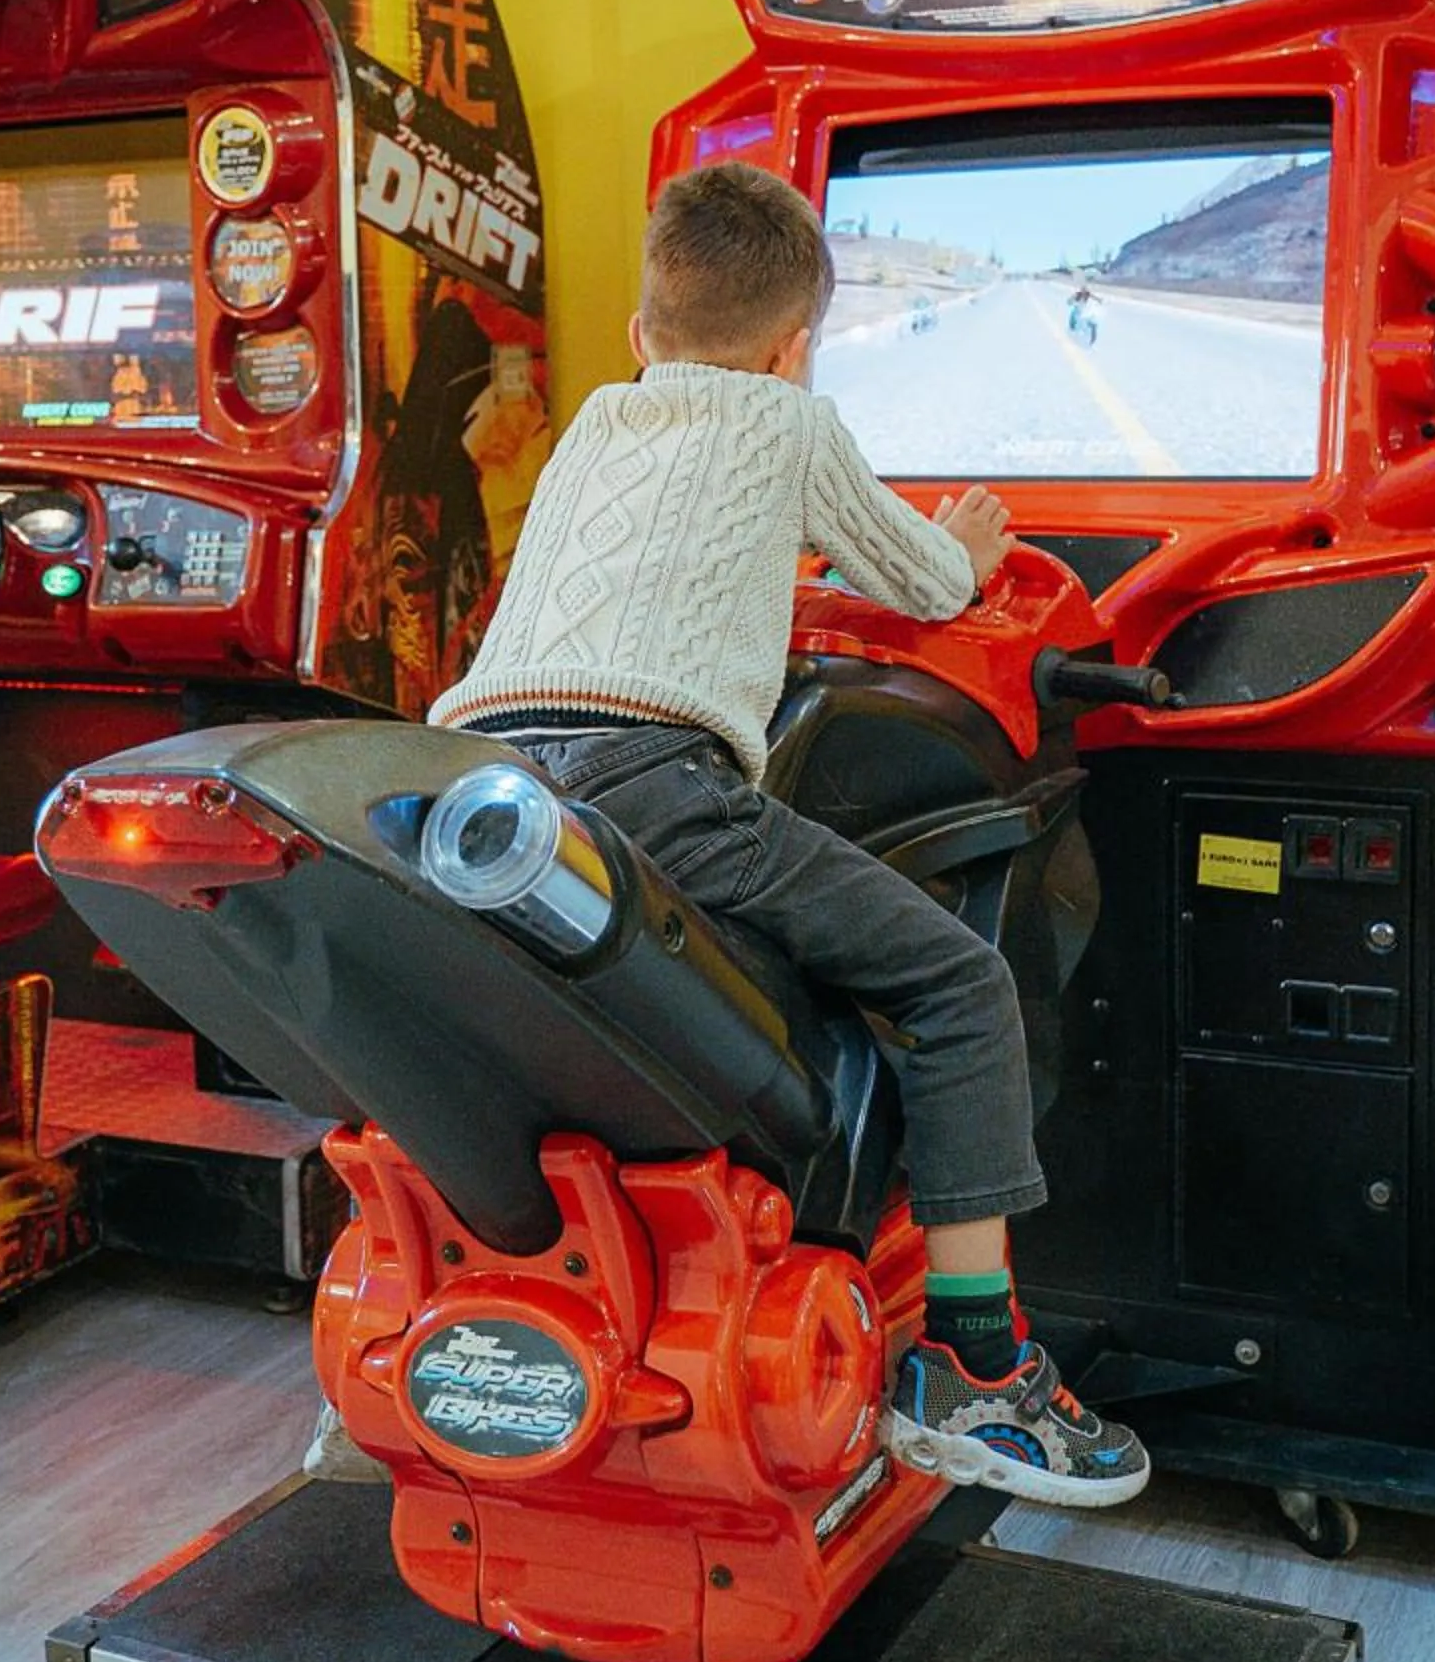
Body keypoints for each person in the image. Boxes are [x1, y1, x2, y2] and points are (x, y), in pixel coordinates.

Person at [426, 160, 1149, 1511]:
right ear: (795, 345)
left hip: (488, 780)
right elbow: (927, 582)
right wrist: (972, 541)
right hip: (655, 782)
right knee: (958, 983)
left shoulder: (594, 420)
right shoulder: (787, 421)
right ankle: (976, 1371)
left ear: (644, 333)